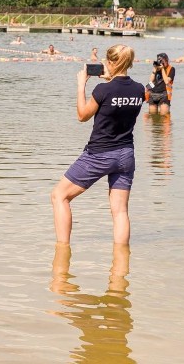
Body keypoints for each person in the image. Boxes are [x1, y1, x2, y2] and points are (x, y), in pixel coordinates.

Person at [50, 45, 144, 245]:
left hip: (100, 154)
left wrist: (81, 85)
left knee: (59, 196)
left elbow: (82, 115)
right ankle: (120, 265)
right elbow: (119, 98)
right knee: (120, 211)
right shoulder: (139, 89)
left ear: (111, 63)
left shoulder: (102, 89)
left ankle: (62, 251)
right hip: (126, 155)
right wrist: (111, 79)